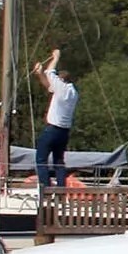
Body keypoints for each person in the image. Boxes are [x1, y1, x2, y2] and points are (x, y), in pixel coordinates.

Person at [32, 49, 78, 189]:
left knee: (41, 159)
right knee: (59, 161)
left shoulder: (62, 88)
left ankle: (45, 188)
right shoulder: (73, 92)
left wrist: (55, 57)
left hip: (53, 129)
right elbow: (49, 86)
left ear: (61, 80)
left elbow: (50, 71)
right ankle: (61, 190)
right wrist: (39, 74)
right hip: (64, 132)